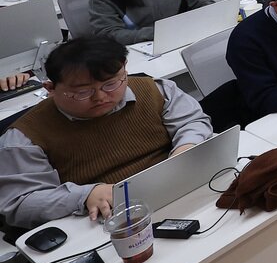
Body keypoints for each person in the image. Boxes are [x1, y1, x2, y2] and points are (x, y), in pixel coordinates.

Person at [0, 37, 212, 228]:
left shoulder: (154, 89)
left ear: (124, 69)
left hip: (176, 188)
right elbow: (20, 202)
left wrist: (186, 149)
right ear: (50, 88)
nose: (100, 97)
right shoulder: (25, 137)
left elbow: (192, 121)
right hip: (102, 219)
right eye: (83, 92)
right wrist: (84, 195)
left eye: (111, 84)